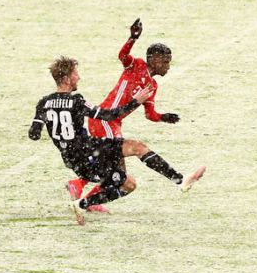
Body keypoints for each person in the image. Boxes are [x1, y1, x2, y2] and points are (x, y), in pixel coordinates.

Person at [29, 56, 205, 226]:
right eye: (75, 74)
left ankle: (180, 181)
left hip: (74, 156)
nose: (78, 77)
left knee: (132, 170)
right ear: (67, 79)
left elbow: (34, 134)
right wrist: (136, 101)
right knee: (125, 179)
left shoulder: (43, 103)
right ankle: (180, 181)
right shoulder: (77, 101)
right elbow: (109, 115)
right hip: (88, 153)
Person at [66, 18, 181, 213]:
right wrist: (132, 38)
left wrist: (163, 117)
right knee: (117, 169)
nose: (168, 66)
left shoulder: (152, 86)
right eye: (165, 61)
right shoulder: (136, 65)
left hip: (114, 124)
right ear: (153, 59)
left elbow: (150, 114)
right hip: (104, 119)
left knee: (119, 172)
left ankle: (86, 197)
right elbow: (123, 55)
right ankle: (80, 186)